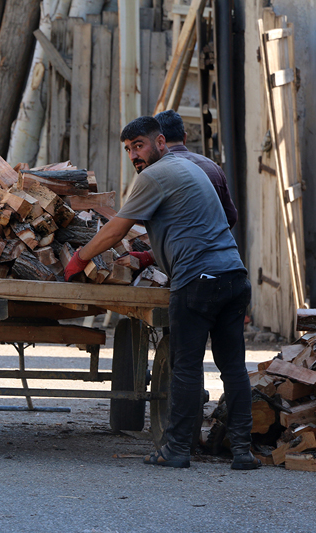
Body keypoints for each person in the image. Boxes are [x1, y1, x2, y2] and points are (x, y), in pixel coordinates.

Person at [64, 116, 258, 470]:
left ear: (161, 143)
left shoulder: (153, 176)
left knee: (185, 368)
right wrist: (148, 255)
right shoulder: (188, 169)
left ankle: (177, 450)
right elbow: (194, 228)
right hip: (233, 275)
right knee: (233, 367)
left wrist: (80, 257)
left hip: (198, 282)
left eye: (139, 145)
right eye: (128, 150)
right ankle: (243, 451)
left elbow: (115, 230)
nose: (134, 155)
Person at [154, 109, 238, 228]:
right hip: (218, 244)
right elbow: (231, 216)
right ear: (185, 137)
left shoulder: (156, 171)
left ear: (158, 141)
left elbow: (138, 223)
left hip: (177, 246)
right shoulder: (212, 166)